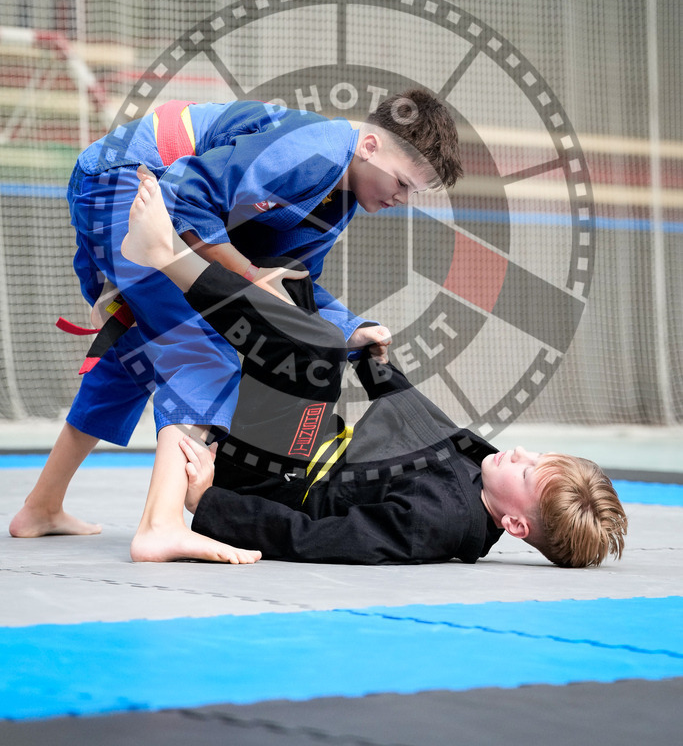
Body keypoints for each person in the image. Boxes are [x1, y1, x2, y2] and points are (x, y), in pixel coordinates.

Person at [10, 89, 462, 564]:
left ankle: (41, 507)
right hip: (130, 180)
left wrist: (350, 328)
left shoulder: (338, 198)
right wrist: (244, 271)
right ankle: (159, 526)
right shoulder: (318, 148)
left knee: (135, 353)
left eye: (415, 193)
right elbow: (185, 194)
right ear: (369, 146)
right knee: (203, 352)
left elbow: (290, 283)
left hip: (132, 190)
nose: (402, 199)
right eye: (403, 182)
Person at [119, 169, 627, 568]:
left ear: (515, 525)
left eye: (526, 468)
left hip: (269, 480)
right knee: (297, 294)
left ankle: (164, 254)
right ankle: (166, 275)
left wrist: (210, 502)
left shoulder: (439, 524)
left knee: (315, 348)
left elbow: (317, 539)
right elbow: (413, 417)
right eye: (534, 454)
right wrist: (373, 360)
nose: (518, 451)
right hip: (304, 443)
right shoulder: (485, 467)